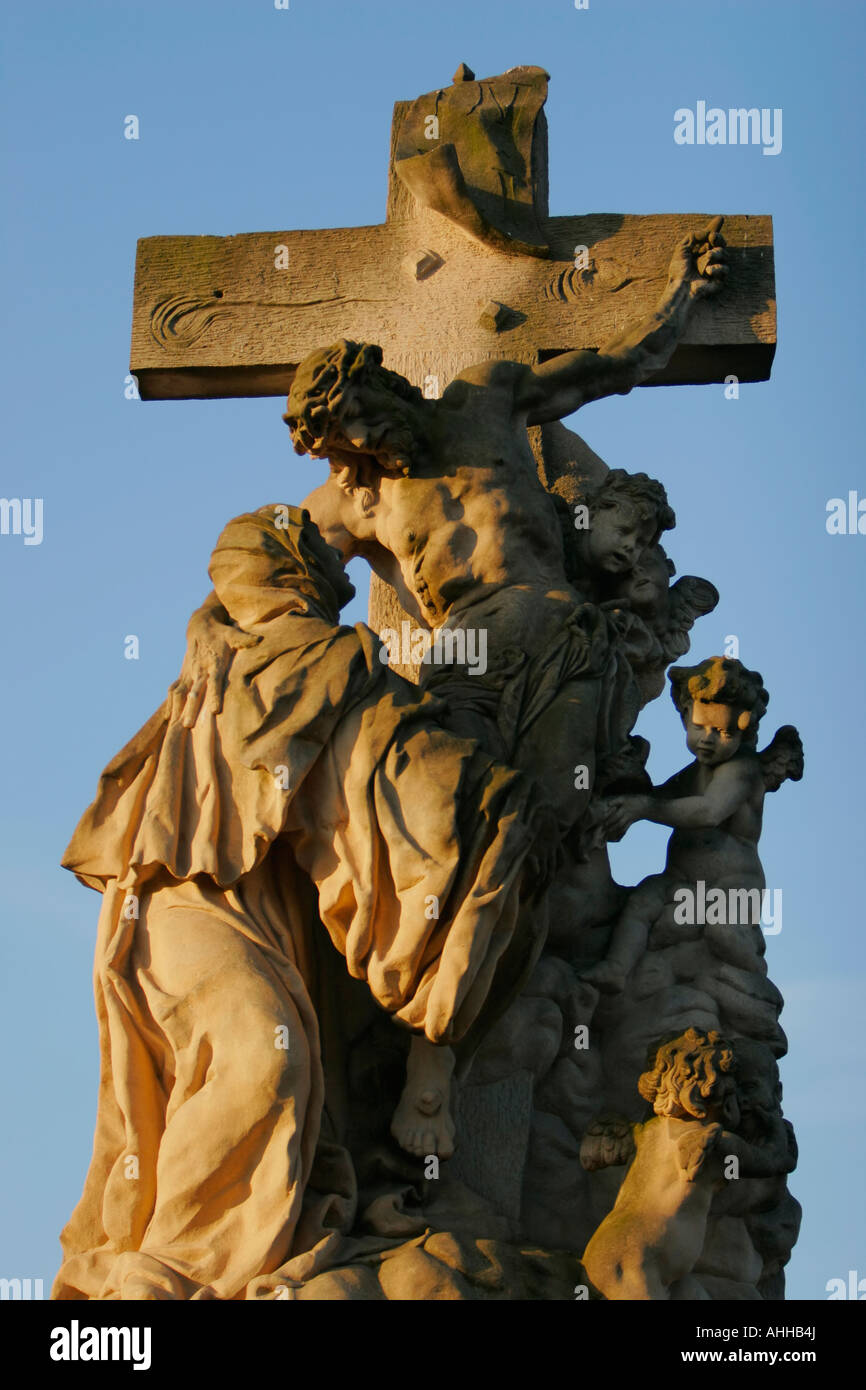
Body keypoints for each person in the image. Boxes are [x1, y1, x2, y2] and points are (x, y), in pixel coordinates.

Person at [53, 505, 557, 1301]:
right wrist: (492, 806)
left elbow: (386, 777)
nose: (239, 590)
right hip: (178, 901)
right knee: (263, 1052)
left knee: (278, 1064)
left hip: (262, 912)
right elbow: (412, 791)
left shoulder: (286, 656)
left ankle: (194, 1263)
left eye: (252, 573)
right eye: (234, 580)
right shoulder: (270, 657)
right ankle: (180, 1271)